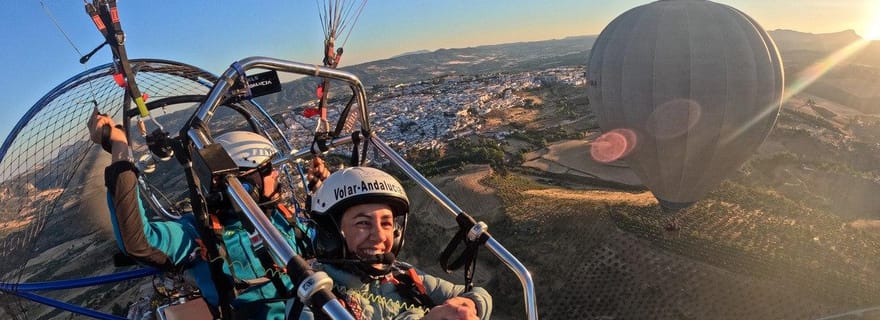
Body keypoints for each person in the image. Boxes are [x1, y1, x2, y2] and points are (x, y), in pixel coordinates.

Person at [87, 110, 310, 319]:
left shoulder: (282, 219)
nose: (277, 173)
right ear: (245, 185)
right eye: (267, 169)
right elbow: (138, 240)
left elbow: (331, 243)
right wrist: (119, 145)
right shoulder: (201, 234)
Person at [290, 166, 492, 320]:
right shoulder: (312, 299)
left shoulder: (401, 276)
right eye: (363, 223)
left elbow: (477, 294)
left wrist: (467, 304)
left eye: (386, 223)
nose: (379, 236)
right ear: (331, 234)